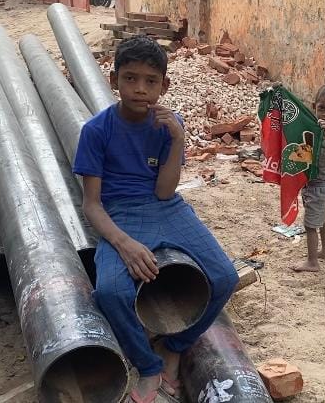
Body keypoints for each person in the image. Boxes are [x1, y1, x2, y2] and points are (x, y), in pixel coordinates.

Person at [73, 35, 238, 403]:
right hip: (119, 212)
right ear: (114, 80)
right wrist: (125, 244)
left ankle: (173, 347)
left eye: (151, 81)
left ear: (164, 86)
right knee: (111, 292)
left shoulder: (168, 125)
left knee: (224, 278)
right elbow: (92, 205)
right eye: (130, 78)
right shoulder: (96, 131)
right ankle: (148, 365)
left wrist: (177, 139)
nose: (140, 89)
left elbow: (165, 192)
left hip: (167, 208)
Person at [292, 84, 325, 272]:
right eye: (322, 108)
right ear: (314, 106)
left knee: (310, 226)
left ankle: (312, 262)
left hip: (320, 186)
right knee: (322, 219)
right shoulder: (312, 125)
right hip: (311, 183)